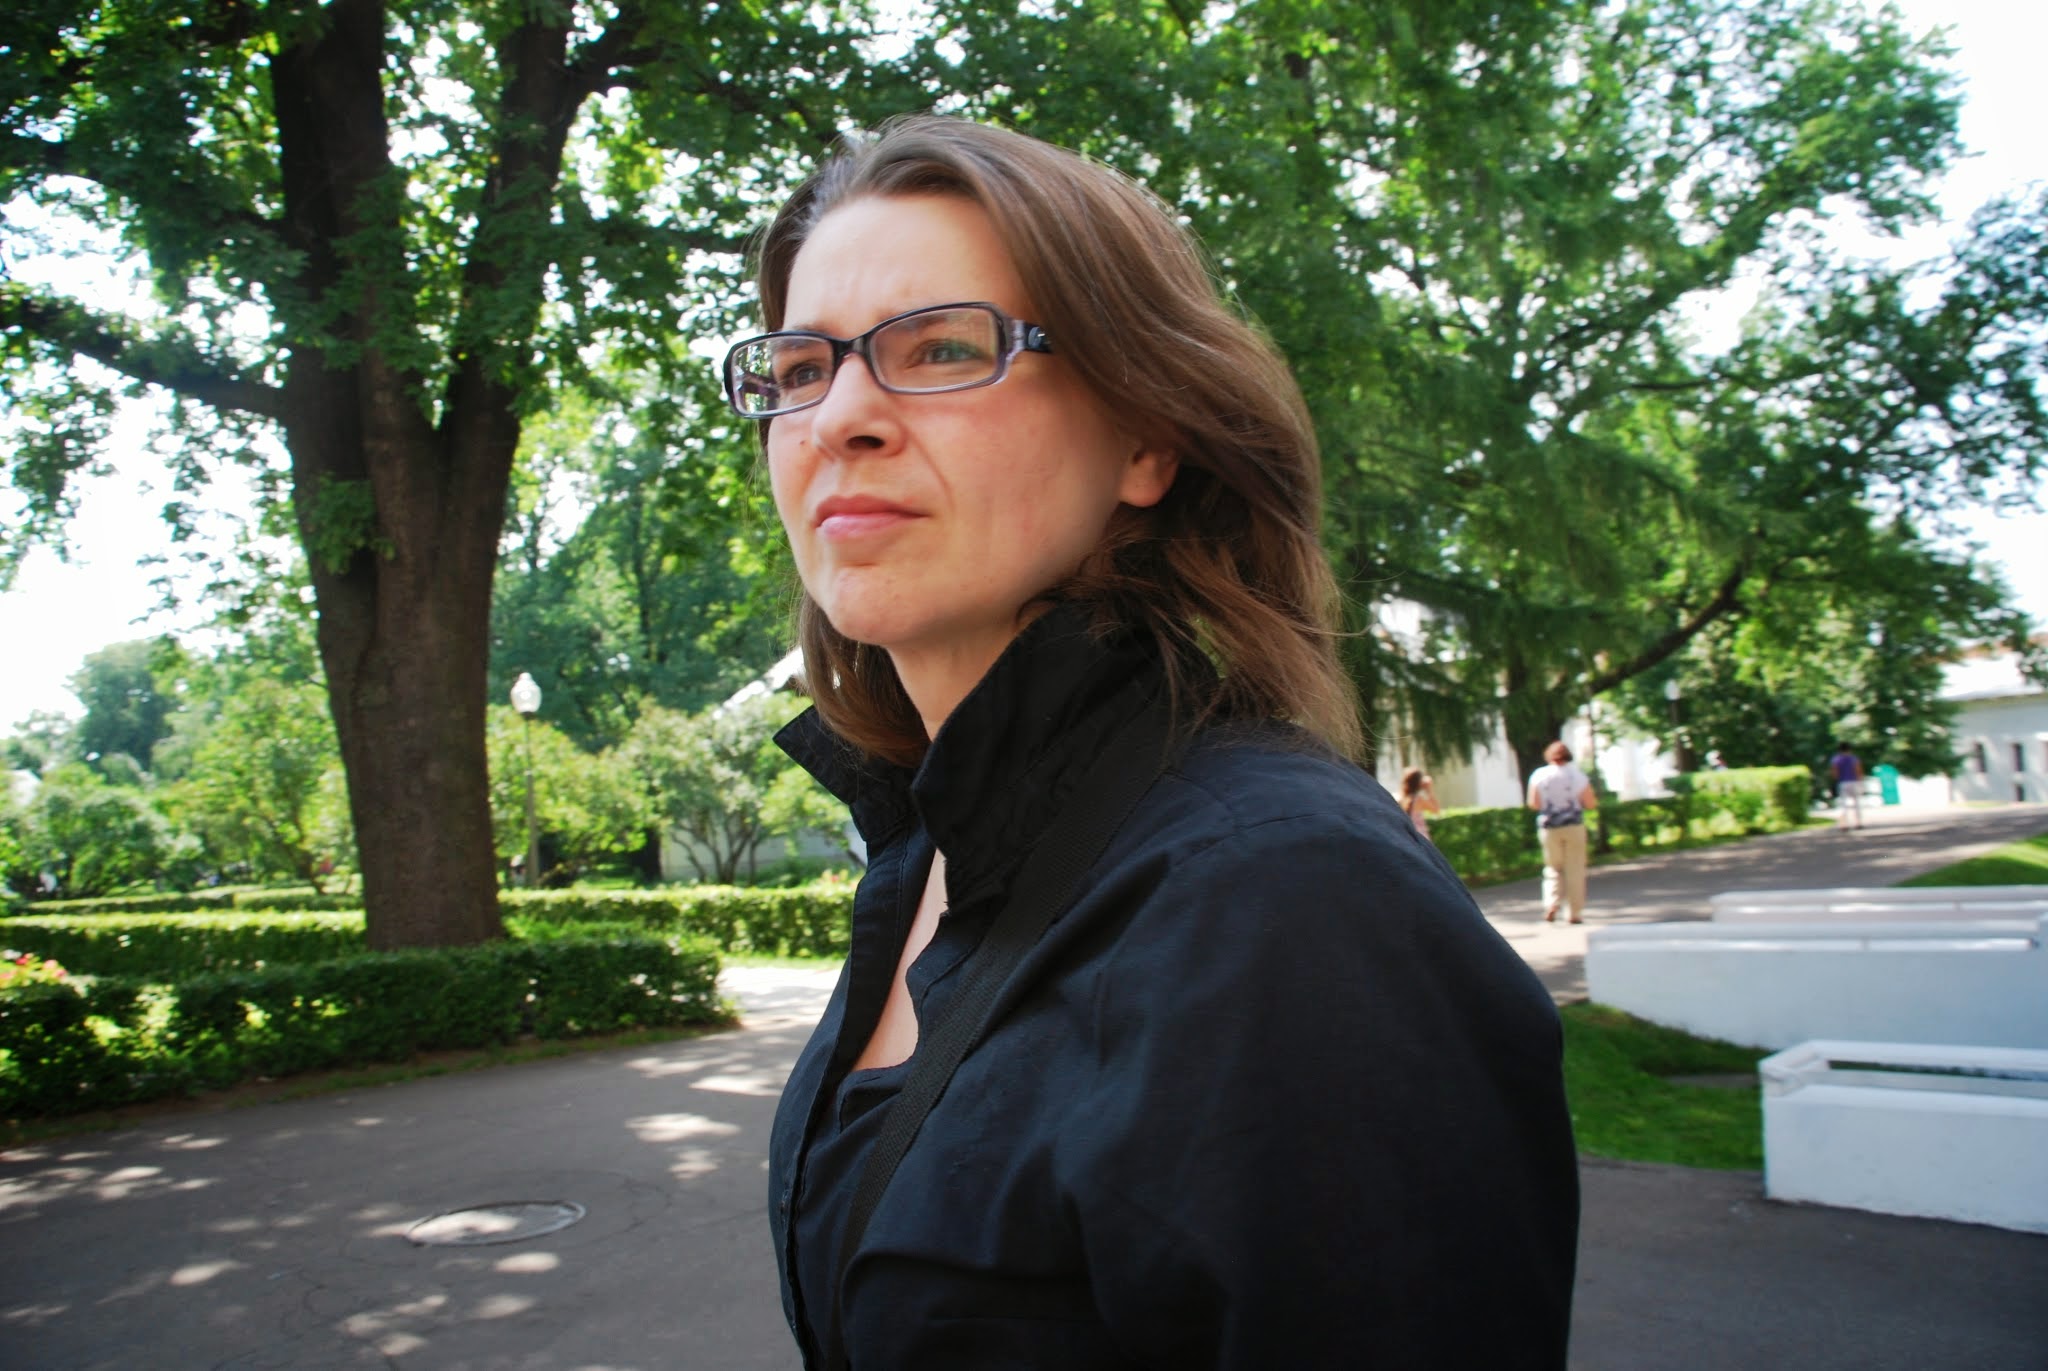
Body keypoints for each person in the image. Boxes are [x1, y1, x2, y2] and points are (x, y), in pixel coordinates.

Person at [733, 115, 1578, 1370]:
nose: (837, 416)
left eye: (943, 347)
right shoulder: (923, 857)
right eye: (801, 368)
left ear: (1144, 438)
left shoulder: (1288, 899)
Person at [1527, 741, 1597, 924]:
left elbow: (1534, 803)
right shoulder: (1577, 775)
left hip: (1549, 827)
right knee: (1575, 868)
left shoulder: (1539, 775)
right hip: (1573, 825)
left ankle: (1551, 903)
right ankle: (1574, 912)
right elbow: (1590, 803)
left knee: (1552, 867)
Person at [1398, 765, 1442, 839]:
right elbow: (1436, 810)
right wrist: (1429, 790)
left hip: (1407, 836)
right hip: (1421, 836)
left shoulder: (1401, 798)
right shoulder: (1418, 800)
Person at [1829, 742, 1865, 830]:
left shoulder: (1836, 759)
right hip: (1854, 781)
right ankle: (1858, 823)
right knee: (1857, 803)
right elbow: (1858, 770)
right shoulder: (1853, 758)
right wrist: (1860, 780)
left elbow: (1835, 772)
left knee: (1843, 804)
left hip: (1843, 782)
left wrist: (1836, 779)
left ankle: (1844, 824)